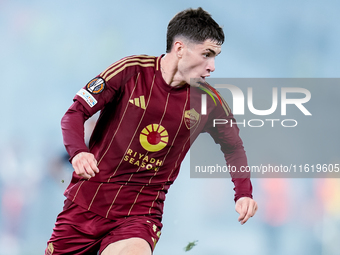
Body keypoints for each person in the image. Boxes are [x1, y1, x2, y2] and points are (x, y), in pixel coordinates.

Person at [45, 7, 258, 255]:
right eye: (207, 54)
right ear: (179, 49)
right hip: (85, 206)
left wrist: (243, 193)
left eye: (216, 56)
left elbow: (233, 147)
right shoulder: (130, 71)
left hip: (140, 215)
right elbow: (74, 113)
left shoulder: (209, 101)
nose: (212, 67)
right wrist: (79, 152)